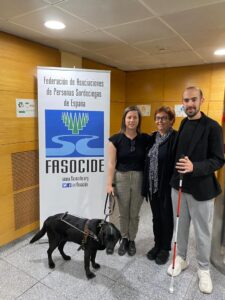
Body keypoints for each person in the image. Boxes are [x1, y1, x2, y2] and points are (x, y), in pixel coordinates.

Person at [167, 86, 225, 294]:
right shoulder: (183, 123)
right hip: (179, 187)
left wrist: (195, 167)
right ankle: (181, 258)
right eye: (186, 100)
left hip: (202, 189)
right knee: (180, 227)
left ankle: (204, 269)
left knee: (202, 232)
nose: (189, 104)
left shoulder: (212, 127)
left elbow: (219, 159)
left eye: (193, 100)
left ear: (202, 100)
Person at [107, 106, 150, 256]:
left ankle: (132, 240)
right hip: (121, 178)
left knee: (135, 213)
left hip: (139, 178)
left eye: (135, 117)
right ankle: (124, 238)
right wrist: (109, 184)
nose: (132, 120)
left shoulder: (145, 139)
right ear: (124, 119)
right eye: (129, 117)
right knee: (123, 212)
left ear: (139, 120)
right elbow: (112, 163)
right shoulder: (115, 139)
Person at [142, 106, 177, 265]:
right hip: (153, 187)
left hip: (167, 187)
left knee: (166, 218)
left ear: (171, 120)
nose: (160, 121)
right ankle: (157, 245)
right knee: (156, 218)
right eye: (157, 118)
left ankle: (165, 249)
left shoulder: (175, 138)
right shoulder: (153, 138)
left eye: (164, 118)